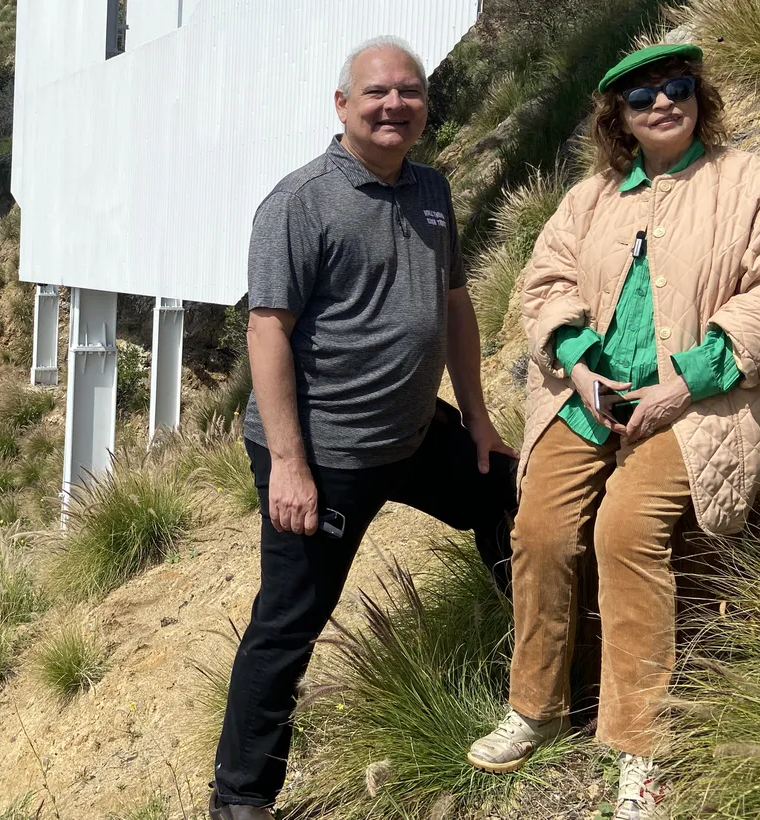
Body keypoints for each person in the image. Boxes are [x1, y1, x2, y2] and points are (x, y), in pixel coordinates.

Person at [465, 43, 760, 820]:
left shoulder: (752, 185)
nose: (663, 103)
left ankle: (643, 749)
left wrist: (684, 380)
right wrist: (578, 362)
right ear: (616, 118)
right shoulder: (589, 198)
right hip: (587, 396)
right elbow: (545, 282)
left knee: (626, 531)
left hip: (700, 400)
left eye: (678, 87)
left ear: (700, 97)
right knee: (541, 527)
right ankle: (537, 706)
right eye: (642, 96)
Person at [208, 36, 519, 819]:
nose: (394, 106)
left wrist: (478, 420)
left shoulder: (432, 190)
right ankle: (239, 801)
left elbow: (453, 306)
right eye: (377, 93)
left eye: (409, 92)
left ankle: (541, 670)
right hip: (325, 455)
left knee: (508, 497)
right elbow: (267, 331)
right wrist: (289, 463)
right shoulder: (298, 202)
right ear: (341, 106)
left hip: (413, 436)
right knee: (287, 625)